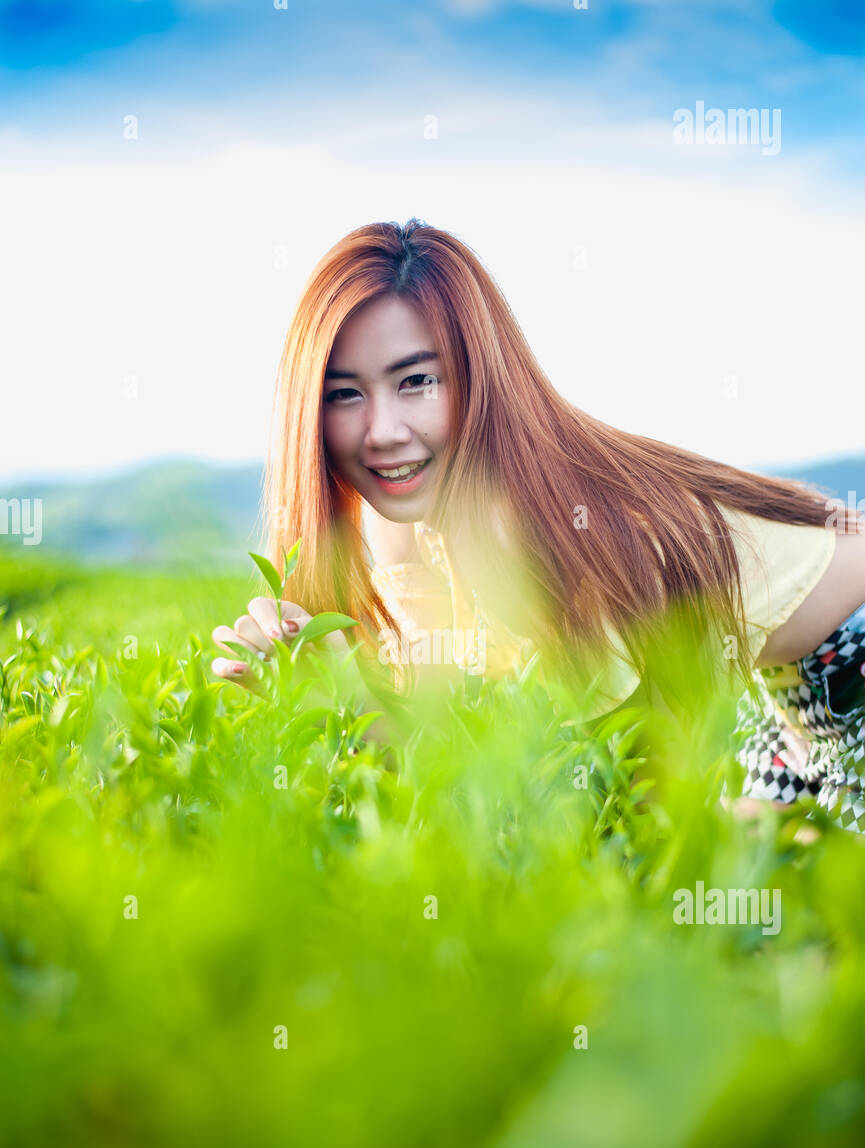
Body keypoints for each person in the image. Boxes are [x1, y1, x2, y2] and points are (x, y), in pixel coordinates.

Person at [212, 217, 865, 832]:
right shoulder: (401, 524)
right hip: (780, 713)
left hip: (850, 670)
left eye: (415, 382)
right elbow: (439, 753)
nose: (381, 432)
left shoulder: (548, 531)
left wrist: (352, 705)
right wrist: (325, 689)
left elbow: (620, 819)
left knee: (748, 881)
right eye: (344, 393)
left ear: (479, 376)